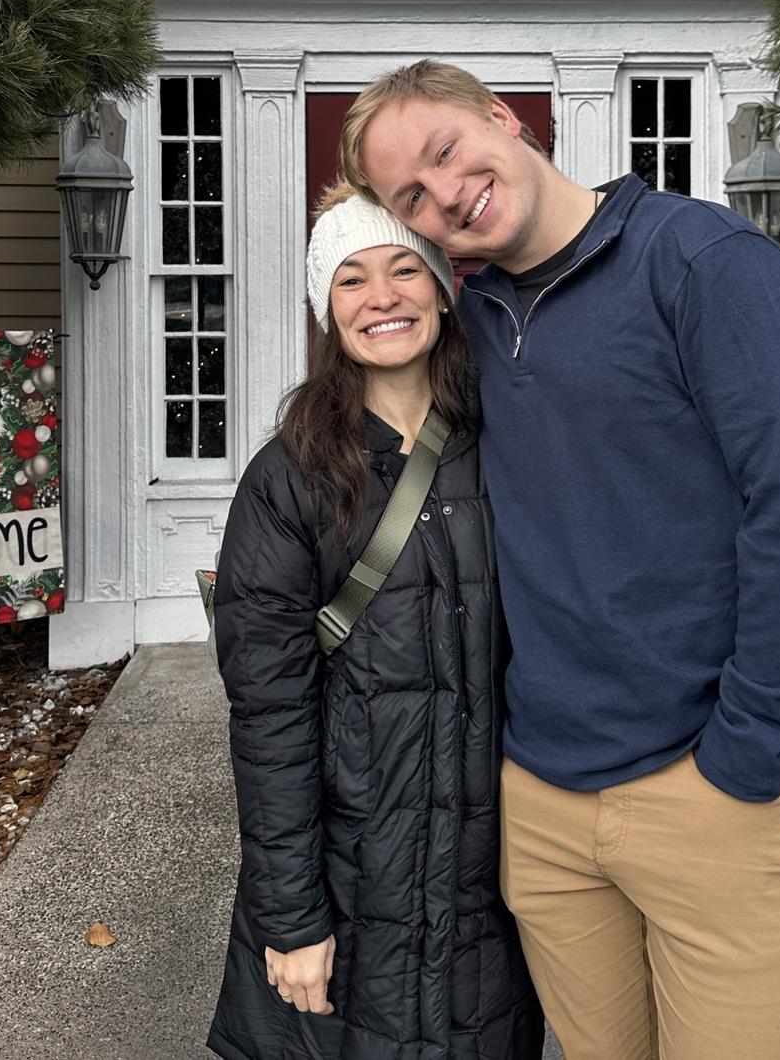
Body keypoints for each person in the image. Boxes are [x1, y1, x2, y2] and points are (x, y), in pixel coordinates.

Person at [338, 61, 780, 1060]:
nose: (445, 193)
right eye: (412, 196)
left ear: (503, 118)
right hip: (541, 800)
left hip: (710, 785)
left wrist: (751, 749)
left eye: (446, 151)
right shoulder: (471, 320)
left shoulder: (706, 264)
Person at [207, 181, 544, 1060]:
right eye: (351, 279)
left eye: (405, 269)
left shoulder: (516, 444)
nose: (382, 296)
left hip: (494, 877)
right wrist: (290, 917)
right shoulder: (288, 480)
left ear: (442, 287)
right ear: (328, 309)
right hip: (354, 875)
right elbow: (270, 716)